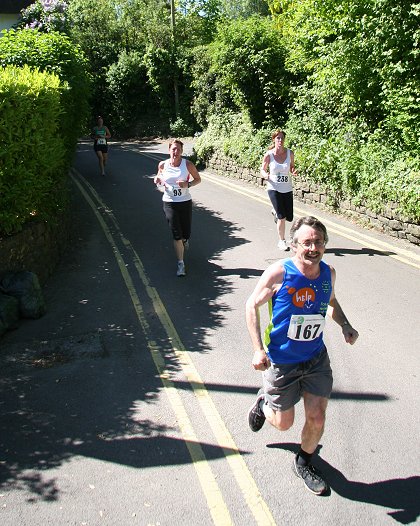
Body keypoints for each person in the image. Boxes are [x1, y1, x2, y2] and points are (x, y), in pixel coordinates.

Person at [245, 216, 359, 495]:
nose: (313, 248)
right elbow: (251, 305)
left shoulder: (328, 273)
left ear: (325, 245)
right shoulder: (278, 273)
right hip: (282, 361)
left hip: (315, 358)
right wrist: (258, 349)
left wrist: (345, 324)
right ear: (294, 246)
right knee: (284, 424)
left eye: (318, 242)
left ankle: (304, 462)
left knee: (317, 417)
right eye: (306, 242)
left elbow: (329, 301)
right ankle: (264, 404)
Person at [154, 139, 201, 277]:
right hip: (169, 202)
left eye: (179, 149)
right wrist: (157, 179)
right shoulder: (163, 164)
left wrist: (188, 184)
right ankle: (181, 264)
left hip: (185, 202)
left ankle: (185, 239)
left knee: (186, 233)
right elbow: (159, 176)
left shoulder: (187, 165)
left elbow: (198, 179)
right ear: (169, 150)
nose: (176, 152)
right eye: (174, 149)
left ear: (181, 151)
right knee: (176, 234)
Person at [260, 129, 297, 250]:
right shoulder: (269, 154)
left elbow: (291, 167)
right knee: (282, 217)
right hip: (273, 187)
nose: (280, 140)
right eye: (278, 138)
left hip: (286, 187)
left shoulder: (290, 153)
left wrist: (294, 171)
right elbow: (262, 169)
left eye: (282, 138)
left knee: (289, 217)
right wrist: (265, 175)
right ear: (274, 139)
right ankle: (281, 241)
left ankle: (276, 212)